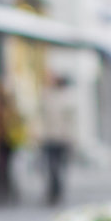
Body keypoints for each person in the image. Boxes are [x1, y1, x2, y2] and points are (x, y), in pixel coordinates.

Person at [39, 75, 75, 206]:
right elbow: (41, 118)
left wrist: (70, 138)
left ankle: (57, 191)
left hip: (61, 138)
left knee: (57, 167)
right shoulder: (47, 97)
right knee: (51, 166)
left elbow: (71, 122)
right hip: (50, 137)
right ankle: (52, 191)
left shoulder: (67, 99)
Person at [0, 84, 19, 203]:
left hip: (8, 142)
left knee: (5, 168)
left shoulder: (10, 109)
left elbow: (16, 123)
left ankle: (7, 191)